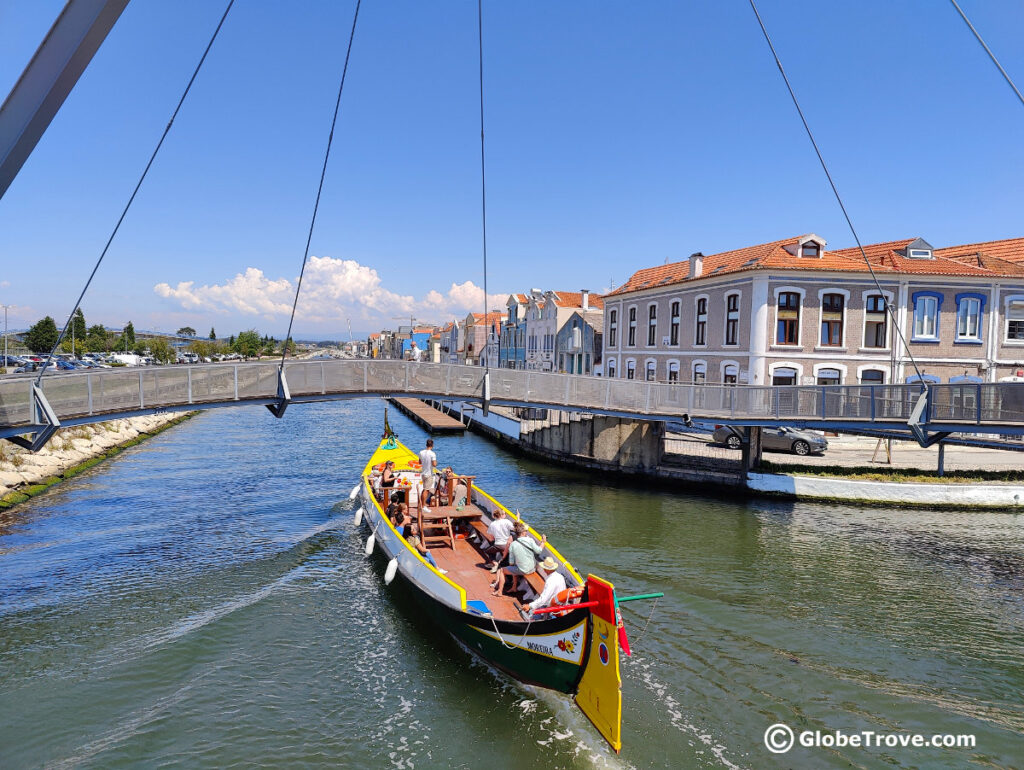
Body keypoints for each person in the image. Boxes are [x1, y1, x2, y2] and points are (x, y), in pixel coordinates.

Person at [492, 522, 546, 596]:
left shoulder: (513, 544)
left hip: (522, 569)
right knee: (515, 567)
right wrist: (543, 542)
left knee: (502, 570)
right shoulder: (530, 540)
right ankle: (514, 587)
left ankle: (499, 591)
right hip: (532, 568)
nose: (526, 532)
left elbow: (511, 562)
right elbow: (539, 550)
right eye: (526, 531)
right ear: (523, 533)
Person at [418, 438, 437, 507]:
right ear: (432, 445)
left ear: (426, 444)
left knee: (424, 489)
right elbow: (434, 464)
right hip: (429, 474)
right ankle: (423, 505)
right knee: (426, 490)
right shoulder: (432, 454)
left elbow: (419, 462)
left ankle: (420, 503)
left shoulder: (421, 452)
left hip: (423, 473)